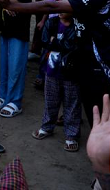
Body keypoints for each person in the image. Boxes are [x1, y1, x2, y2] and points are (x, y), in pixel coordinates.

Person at [32, 8, 81, 152]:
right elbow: (45, 41)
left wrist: (56, 42)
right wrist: (61, 43)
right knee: (50, 99)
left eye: (64, 8)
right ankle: (47, 127)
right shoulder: (52, 22)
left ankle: (71, 135)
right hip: (51, 69)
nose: (60, 11)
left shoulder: (78, 25)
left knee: (72, 103)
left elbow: (74, 46)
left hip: (71, 72)